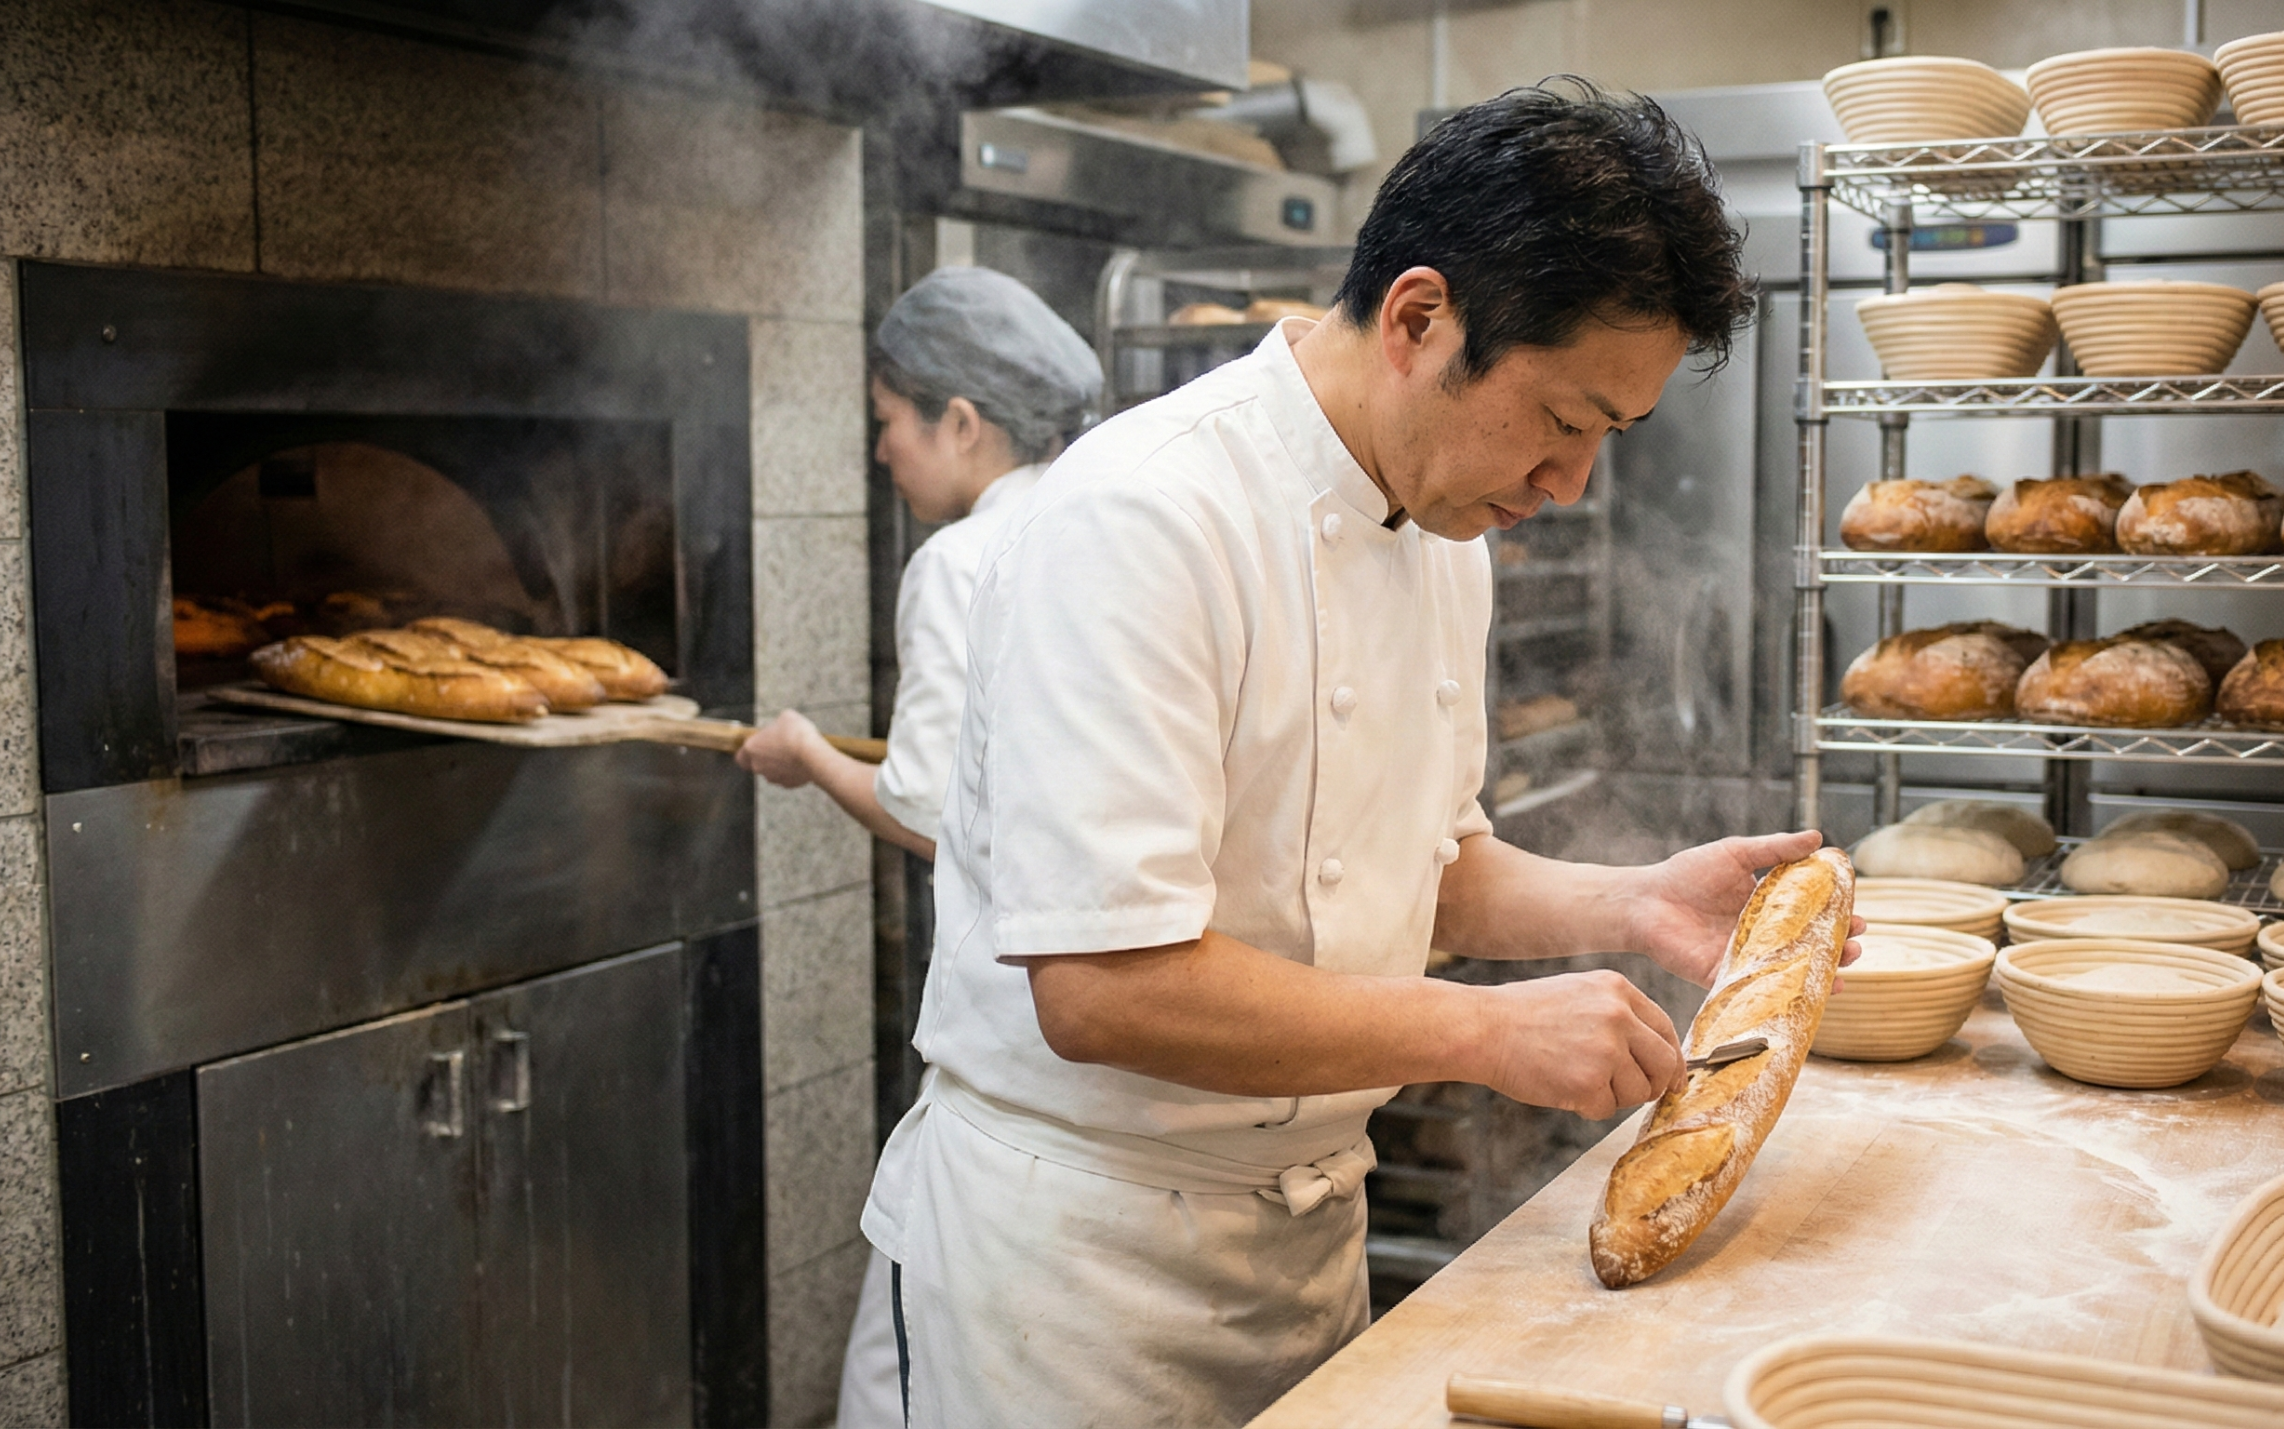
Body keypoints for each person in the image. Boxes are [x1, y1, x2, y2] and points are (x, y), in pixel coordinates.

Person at [866, 82, 1862, 1428]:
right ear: (1417, 319)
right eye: (1564, 420)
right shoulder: (1143, 518)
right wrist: (1488, 1030)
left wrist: (1632, 901)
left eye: (1605, 439)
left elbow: (1422, 867)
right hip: (1071, 1283)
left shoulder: (1441, 527)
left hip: (1305, 1247)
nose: (1570, 483)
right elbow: (1102, 986)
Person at [732, 264, 1101, 1429]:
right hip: (1101, 1077)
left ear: (961, 420)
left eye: (889, 420)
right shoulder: (1103, 524)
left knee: (900, 1386)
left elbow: (931, 814)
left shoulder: (960, 561)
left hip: (1010, 1056)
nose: (881, 451)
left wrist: (807, 753)